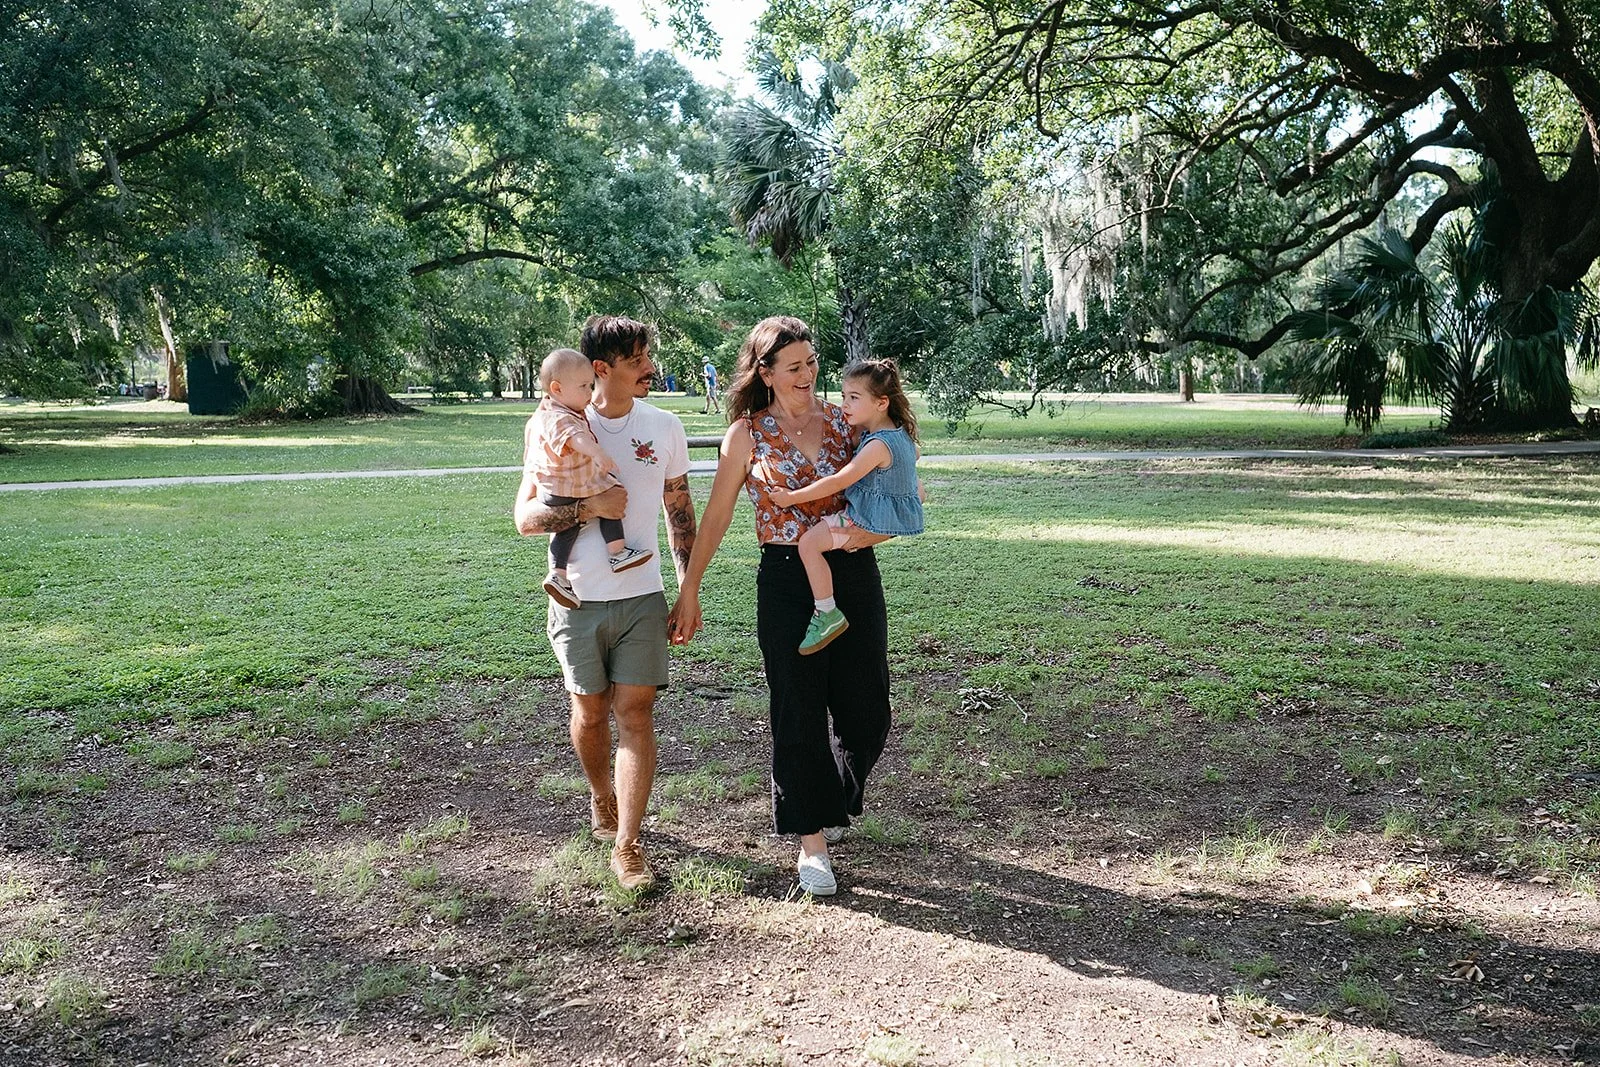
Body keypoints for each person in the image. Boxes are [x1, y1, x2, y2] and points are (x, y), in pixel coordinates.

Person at [668, 316, 891, 898]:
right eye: (794, 367)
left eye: (813, 363)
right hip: (787, 581)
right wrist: (690, 586)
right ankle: (810, 840)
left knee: (868, 713)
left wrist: (878, 535)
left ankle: (827, 798)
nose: (808, 375)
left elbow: (890, 487)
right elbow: (716, 516)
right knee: (798, 707)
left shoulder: (847, 419)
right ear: (764, 373)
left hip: (853, 570)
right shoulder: (747, 434)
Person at [514, 315, 698, 891]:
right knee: (591, 714)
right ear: (602, 369)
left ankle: (629, 844)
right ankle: (602, 796)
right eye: (639, 359)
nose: (651, 367)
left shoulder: (665, 426)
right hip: (575, 600)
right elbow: (524, 518)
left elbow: (679, 513)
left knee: (635, 715)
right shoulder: (554, 424)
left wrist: (688, 589)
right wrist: (589, 509)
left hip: (643, 595)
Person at [769, 358, 924, 655]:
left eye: (854, 398)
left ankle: (826, 611)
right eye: (843, 397)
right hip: (888, 516)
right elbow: (913, 455)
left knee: (808, 545)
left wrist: (792, 497)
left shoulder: (877, 445)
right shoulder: (897, 434)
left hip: (864, 521)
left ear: (881, 403)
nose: (845, 405)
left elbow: (838, 481)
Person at [523, 347, 654, 609]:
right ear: (557, 388)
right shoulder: (558, 416)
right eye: (583, 386)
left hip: (557, 487)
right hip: (571, 484)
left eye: (590, 385)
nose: (589, 392)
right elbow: (574, 437)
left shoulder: (548, 412)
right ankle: (617, 552)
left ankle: (558, 575)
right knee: (611, 493)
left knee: (567, 529)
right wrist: (598, 453)